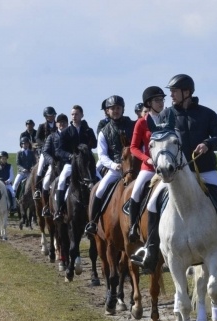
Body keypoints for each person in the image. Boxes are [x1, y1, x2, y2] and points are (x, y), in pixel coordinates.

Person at [130, 74, 217, 271]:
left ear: (187, 92)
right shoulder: (166, 116)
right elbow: (156, 138)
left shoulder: (207, 114)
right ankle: (150, 249)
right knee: (151, 203)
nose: (171, 96)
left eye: (174, 92)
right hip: (176, 174)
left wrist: (208, 144)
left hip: (205, 169)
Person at [85, 95, 135, 235]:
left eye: (118, 108)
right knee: (99, 190)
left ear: (123, 109)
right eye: (112, 108)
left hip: (132, 168)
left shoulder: (132, 125)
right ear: (107, 111)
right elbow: (102, 156)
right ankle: (93, 223)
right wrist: (114, 165)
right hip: (116, 169)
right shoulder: (104, 131)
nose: (116, 111)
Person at [127, 85, 166, 242]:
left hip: (167, 166)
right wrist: (147, 159)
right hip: (149, 168)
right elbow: (133, 147)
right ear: (149, 103)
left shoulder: (168, 118)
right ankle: (132, 226)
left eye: (162, 99)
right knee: (136, 192)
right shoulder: (142, 123)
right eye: (157, 100)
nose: (161, 103)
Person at [53, 105, 97, 220]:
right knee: (62, 180)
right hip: (71, 163)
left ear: (82, 115)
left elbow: (95, 144)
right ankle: (59, 210)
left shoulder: (88, 130)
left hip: (86, 164)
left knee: (99, 178)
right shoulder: (66, 132)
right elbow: (59, 151)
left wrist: (88, 139)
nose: (74, 116)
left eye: (76, 114)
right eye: (72, 114)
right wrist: (70, 156)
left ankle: (98, 209)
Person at [37, 113, 69, 216]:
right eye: (60, 122)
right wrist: (51, 161)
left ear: (67, 124)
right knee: (46, 183)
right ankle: (46, 206)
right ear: (56, 124)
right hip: (55, 165)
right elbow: (45, 152)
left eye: (64, 122)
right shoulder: (51, 136)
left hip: (68, 164)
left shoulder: (71, 135)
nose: (62, 124)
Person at [34, 107, 57, 193]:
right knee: (40, 168)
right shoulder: (41, 126)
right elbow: (37, 138)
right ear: (46, 117)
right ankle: (37, 189)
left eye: (53, 115)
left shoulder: (57, 125)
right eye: (50, 116)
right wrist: (45, 144)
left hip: (56, 151)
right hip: (45, 151)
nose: (52, 117)